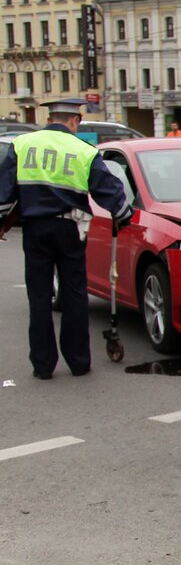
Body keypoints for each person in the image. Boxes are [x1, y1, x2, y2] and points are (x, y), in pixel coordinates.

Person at [0, 98, 133, 379]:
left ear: (50, 119)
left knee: (38, 296)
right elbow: (108, 191)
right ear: (75, 121)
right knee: (74, 295)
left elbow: (4, 193)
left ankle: (43, 365)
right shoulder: (83, 150)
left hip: (35, 230)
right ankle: (78, 362)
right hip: (71, 229)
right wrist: (123, 215)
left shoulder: (22, 145)